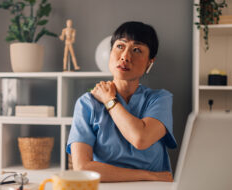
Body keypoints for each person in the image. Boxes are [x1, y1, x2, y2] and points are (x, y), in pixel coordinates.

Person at [66, 21, 176, 182]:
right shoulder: (87, 103)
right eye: (120, 46)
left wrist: (109, 100)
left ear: (149, 62)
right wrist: (147, 175)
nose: (125, 56)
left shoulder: (159, 99)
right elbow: (82, 168)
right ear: (110, 52)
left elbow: (141, 139)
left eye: (137, 50)